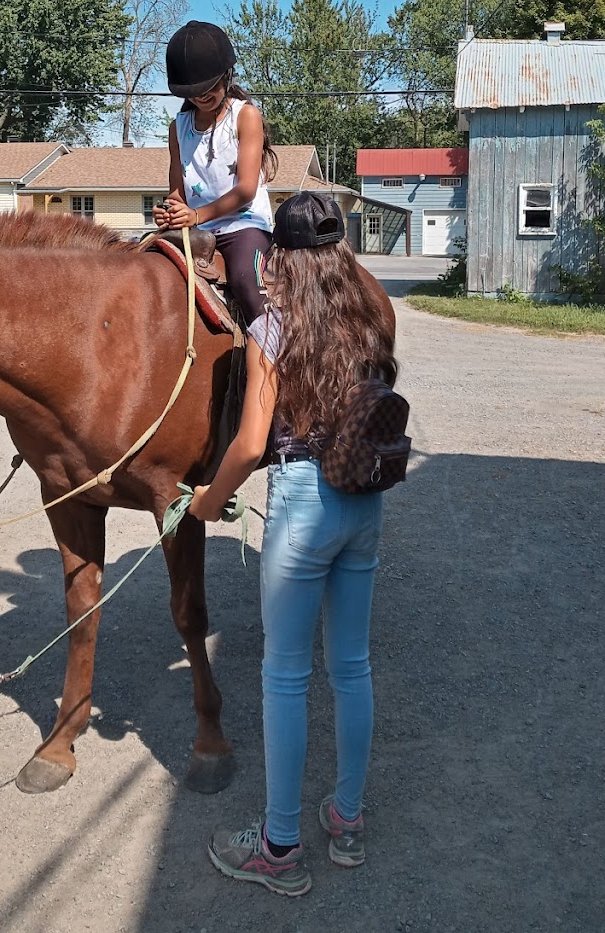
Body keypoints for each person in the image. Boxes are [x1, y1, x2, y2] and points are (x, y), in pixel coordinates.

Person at [189, 191, 396, 897]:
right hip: (363, 502)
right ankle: (346, 817)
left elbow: (251, 443)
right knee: (352, 665)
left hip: (305, 504)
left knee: (284, 676)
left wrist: (206, 502)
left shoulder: (274, 327)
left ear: (279, 256)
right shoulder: (369, 320)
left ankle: (278, 847)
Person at [155, 20, 277, 325]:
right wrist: (171, 211)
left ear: (227, 75)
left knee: (247, 282)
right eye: (195, 91)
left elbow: (246, 189)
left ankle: (276, 357)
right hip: (196, 230)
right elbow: (177, 192)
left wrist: (196, 216)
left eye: (210, 87)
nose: (203, 95)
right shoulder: (178, 128)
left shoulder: (246, 115)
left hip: (243, 225)